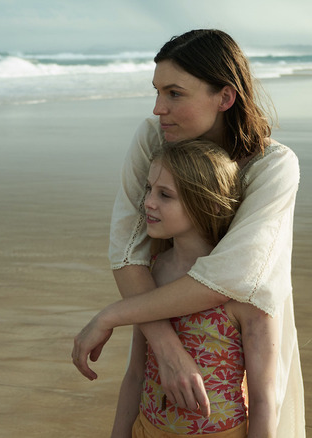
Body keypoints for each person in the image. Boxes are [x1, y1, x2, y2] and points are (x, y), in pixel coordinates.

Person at [72, 29, 305, 436]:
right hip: (158, 309)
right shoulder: (153, 137)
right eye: (157, 91)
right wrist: (166, 348)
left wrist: (114, 314)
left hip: (239, 331)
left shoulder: (273, 166)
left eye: (175, 93)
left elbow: (235, 275)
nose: (159, 108)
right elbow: (128, 249)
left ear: (225, 97)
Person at [112, 140, 277, 437]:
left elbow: (264, 400)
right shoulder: (150, 271)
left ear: (210, 203)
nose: (148, 201)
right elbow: (136, 374)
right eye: (149, 189)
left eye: (165, 195)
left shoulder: (244, 290)